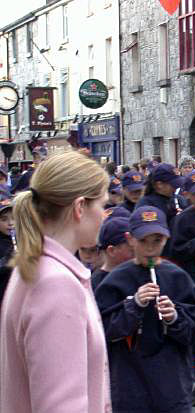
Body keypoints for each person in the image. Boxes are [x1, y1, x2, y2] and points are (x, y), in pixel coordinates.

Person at [0, 150, 111, 412]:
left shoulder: (39, 267)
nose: (104, 216)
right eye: (102, 206)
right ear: (80, 207)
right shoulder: (55, 284)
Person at [94, 206, 195, 413]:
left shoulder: (178, 278)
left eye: (157, 241)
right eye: (142, 241)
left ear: (166, 239)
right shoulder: (115, 280)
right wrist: (133, 306)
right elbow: (100, 333)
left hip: (172, 386)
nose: (150, 249)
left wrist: (174, 318)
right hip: (129, 386)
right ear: (130, 239)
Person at [91, 216, 134, 291]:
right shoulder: (97, 284)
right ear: (111, 251)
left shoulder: (136, 273)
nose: (137, 253)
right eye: (132, 250)